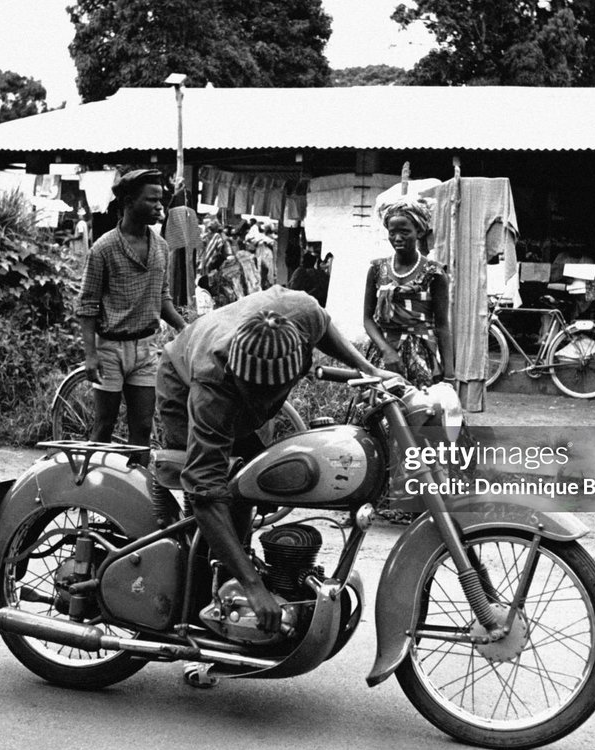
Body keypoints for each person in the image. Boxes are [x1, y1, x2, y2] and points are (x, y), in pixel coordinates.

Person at [156, 286, 393, 684]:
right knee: (212, 497)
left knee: (246, 488)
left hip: (241, 395)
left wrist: (369, 370)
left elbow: (323, 325)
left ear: (299, 356)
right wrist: (253, 586)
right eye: (256, 391)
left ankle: (240, 580)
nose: (266, 399)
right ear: (239, 374)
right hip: (182, 381)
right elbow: (202, 493)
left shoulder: (299, 312)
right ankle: (196, 632)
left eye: (274, 391)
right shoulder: (213, 385)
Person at [77, 169, 186, 462]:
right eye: (151, 200)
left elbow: (162, 298)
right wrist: (90, 355)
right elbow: (87, 306)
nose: (159, 206)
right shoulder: (104, 249)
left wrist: (185, 328)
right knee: (104, 426)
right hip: (110, 349)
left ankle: (136, 495)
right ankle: (88, 488)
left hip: (146, 349)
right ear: (128, 201)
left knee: (141, 428)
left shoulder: (161, 247)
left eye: (161, 200)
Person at [363, 196, 455, 389]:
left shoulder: (434, 273)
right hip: (383, 356)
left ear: (419, 231)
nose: (397, 238)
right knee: (378, 411)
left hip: (422, 358)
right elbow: (368, 319)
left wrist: (449, 375)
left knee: (423, 412)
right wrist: (386, 350)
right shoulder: (377, 269)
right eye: (392, 232)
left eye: (404, 231)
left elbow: (442, 326)